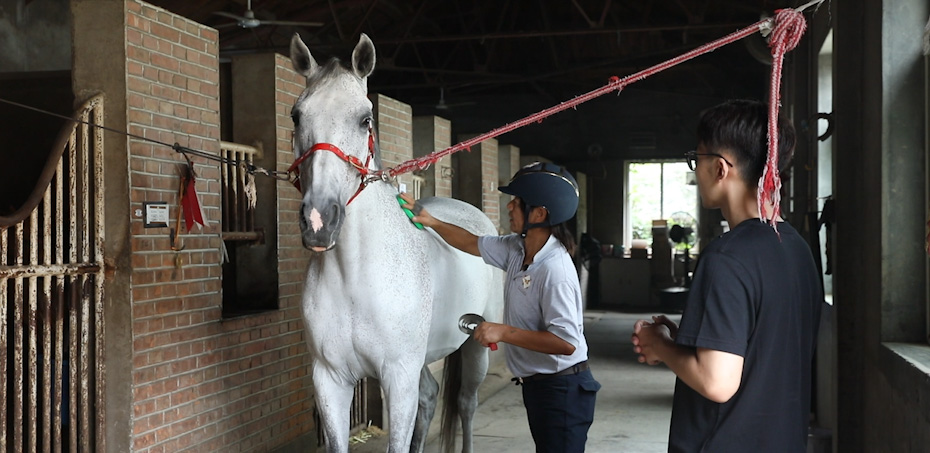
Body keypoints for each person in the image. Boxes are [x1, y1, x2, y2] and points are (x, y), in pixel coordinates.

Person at [631, 99, 822, 452]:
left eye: (697, 160)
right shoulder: (798, 250)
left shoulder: (727, 256)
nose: (695, 171)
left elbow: (717, 382)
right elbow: (762, 350)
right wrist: (688, 343)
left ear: (720, 169)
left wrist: (659, 345)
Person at [401, 162, 600, 453]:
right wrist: (431, 221)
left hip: (563, 391)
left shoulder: (555, 270)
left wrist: (503, 332)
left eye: (517, 203)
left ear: (539, 213)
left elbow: (567, 343)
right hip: (540, 387)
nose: (509, 207)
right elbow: (470, 242)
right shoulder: (517, 249)